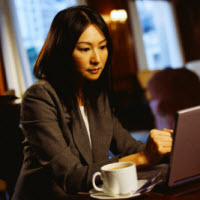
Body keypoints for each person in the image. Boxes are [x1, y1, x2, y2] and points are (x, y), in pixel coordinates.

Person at [12, 5, 173, 200]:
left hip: (90, 192)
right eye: (85, 49)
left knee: (168, 176)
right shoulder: (39, 97)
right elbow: (71, 177)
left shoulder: (96, 95)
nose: (97, 59)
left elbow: (128, 147)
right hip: (52, 195)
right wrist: (143, 158)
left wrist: (166, 149)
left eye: (103, 47)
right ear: (63, 52)